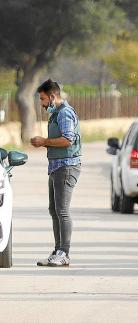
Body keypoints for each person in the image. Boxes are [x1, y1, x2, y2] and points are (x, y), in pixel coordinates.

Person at [31, 79, 81, 267]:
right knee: (54, 210)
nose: (42, 104)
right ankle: (58, 251)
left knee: (62, 211)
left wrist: (44, 141)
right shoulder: (56, 113)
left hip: (66, 167)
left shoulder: (65, 113)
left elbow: (68, 140)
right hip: (56, 166)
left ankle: (64, 252)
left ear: (52, 96)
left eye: (43, 99)